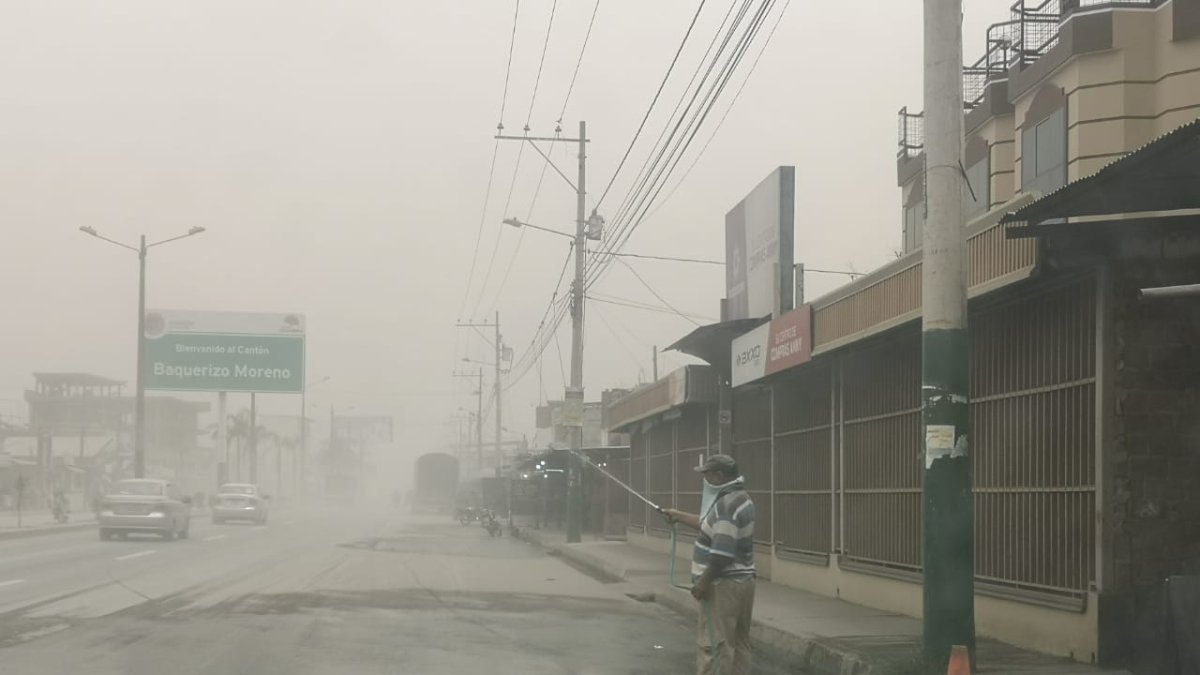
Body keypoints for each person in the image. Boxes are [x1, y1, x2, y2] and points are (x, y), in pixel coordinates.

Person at [663, 454, 756, 675]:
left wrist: (703, 582)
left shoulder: (725, 505)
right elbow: (711, 526)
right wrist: (678, 515)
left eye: (707, 475)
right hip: (743, 582)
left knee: (714, 646)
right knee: (738, 644)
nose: (705, 480)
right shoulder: (740, 498)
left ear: (719, 476)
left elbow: (721, 554)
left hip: (722, 585)